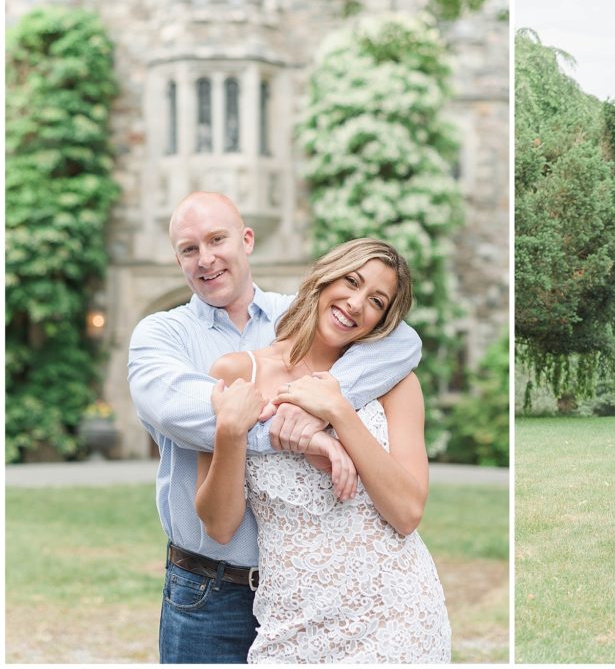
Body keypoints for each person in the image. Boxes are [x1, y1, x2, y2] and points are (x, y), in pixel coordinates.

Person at [128, 192, 422, 663]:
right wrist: (304, 437)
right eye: (189, 248)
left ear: (247, 240)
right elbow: (180, 412)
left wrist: (324, 407)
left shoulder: (305, 320)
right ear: (177, 259)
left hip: (307, 593)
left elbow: (404, 340)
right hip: (207, 588)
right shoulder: (163, 335)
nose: (206, 259)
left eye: (217, 239)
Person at [195, 238, 451, 663]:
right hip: (291, 621)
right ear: (324, 277)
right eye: (351, 281)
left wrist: (338, 412)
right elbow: (220, 527)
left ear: (382, 321)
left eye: (376, 301)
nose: (355, 304)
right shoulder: (237, 371)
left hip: (396, 615)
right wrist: (230, 432)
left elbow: (407, 513)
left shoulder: (397, 384)